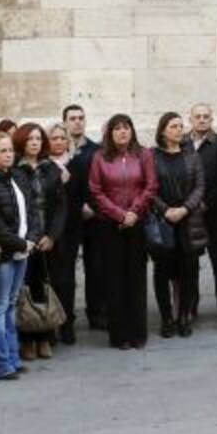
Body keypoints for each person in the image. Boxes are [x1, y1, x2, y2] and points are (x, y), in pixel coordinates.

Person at [0, 131, 41, 375]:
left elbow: (33, 210)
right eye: (2, 150)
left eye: (10, 150)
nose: (8, 155)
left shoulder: (19, 177)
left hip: (23, 251)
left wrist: (31, 238)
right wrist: (20, 244)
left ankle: (13, 358)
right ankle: (1, 363)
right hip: (2, 255)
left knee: (12, 304)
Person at [88, 114, 157, 349]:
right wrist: (119, 214)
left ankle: (138, 333)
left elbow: (150, 186)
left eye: (126, 127)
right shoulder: (100, 157)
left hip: (137, 222)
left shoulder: (144, 154)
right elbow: (96, 191)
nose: (122, 132)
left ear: (132, 131)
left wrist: (134, 212)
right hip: (110, 225)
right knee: (114, 280)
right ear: (110, 133)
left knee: (136, 279)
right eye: (117, 128)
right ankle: (119, 335)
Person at [12, 123, 67, 361]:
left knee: (44, 287)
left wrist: (52, 235)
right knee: (24, 291)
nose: (34, 142)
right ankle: (26, 339)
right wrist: (27, 238)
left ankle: (45, 336)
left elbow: (61, 206)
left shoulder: (51, 169)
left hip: (47, 238)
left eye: (38, 138)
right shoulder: (14, 170)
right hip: (24, 239)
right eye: (30, 139)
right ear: (21, 142)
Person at [151, 112, 206, 338]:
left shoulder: (191, 156)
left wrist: (184, 209)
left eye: (180, 126)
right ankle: (166, 318)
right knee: (162, 271)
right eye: (173, 126)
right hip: (163, 221)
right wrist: (166, 210)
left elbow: (200, 187)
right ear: (163, 130)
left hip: (188, 220)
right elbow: (149, 188)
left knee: (189, 271)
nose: (178, 130)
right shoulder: (152, 156)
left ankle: (183, 316)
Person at [186, 103, 217, 322]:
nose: (202, 120)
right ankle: (191, 306)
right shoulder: (182, 142)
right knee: (190, 262)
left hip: (214, 212)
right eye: (198, 116)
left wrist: (206, 203)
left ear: (212, 119)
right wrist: (190, 205)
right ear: (191, 119)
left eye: (206, 116)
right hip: (188, 213)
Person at [61, 105, 100, 337]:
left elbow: (100, 183)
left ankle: (96, 313)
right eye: (72, 118)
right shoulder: (57, 149)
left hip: (92, 217)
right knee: (66, 271)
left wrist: (92, 207)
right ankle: (67, 319)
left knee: (95, 268)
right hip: (67, 220)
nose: (77, 122)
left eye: (81, 118)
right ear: (64, 121)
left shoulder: (95, 150)